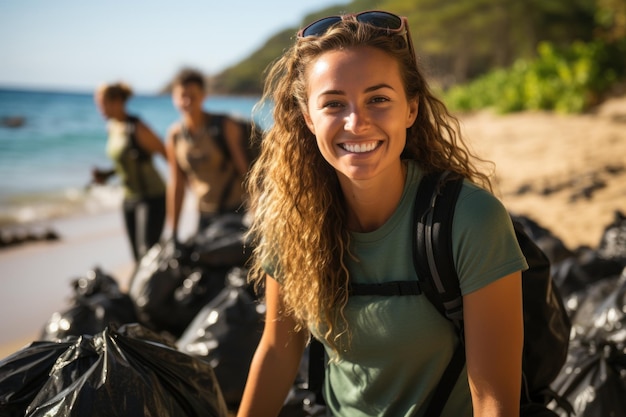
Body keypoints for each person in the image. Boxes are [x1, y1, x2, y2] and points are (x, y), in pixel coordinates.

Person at [237, 10, 528, 417]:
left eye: (378, 99)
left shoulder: (469, 219)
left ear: (410, 109)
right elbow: (276, 354)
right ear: (308, 119)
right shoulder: (292, 221)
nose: (356, 123)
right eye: (334, 104)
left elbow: (495, 403)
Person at [165, 68, 250, 239]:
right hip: (203, 213)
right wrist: (172, 233)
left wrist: (258, 216)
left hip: (234, 212)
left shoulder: (224, 126)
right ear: (174, 98)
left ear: (203, 96)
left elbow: (247, 174)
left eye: (193, 96)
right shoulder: (175, 135)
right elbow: (177, 185)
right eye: (182, 96)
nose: (187, 102)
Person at [93, 82, 167, 262]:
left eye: (103, 103)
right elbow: (124, 163)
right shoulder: (111, 127)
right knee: (136, 255)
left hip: (152, 198)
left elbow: (167, 154)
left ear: (118, 101)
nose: (100, 108)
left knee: (147, 253)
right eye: (98, 104)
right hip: (129, 198)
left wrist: (181, 187)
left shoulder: (137, 128)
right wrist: (106, 175)